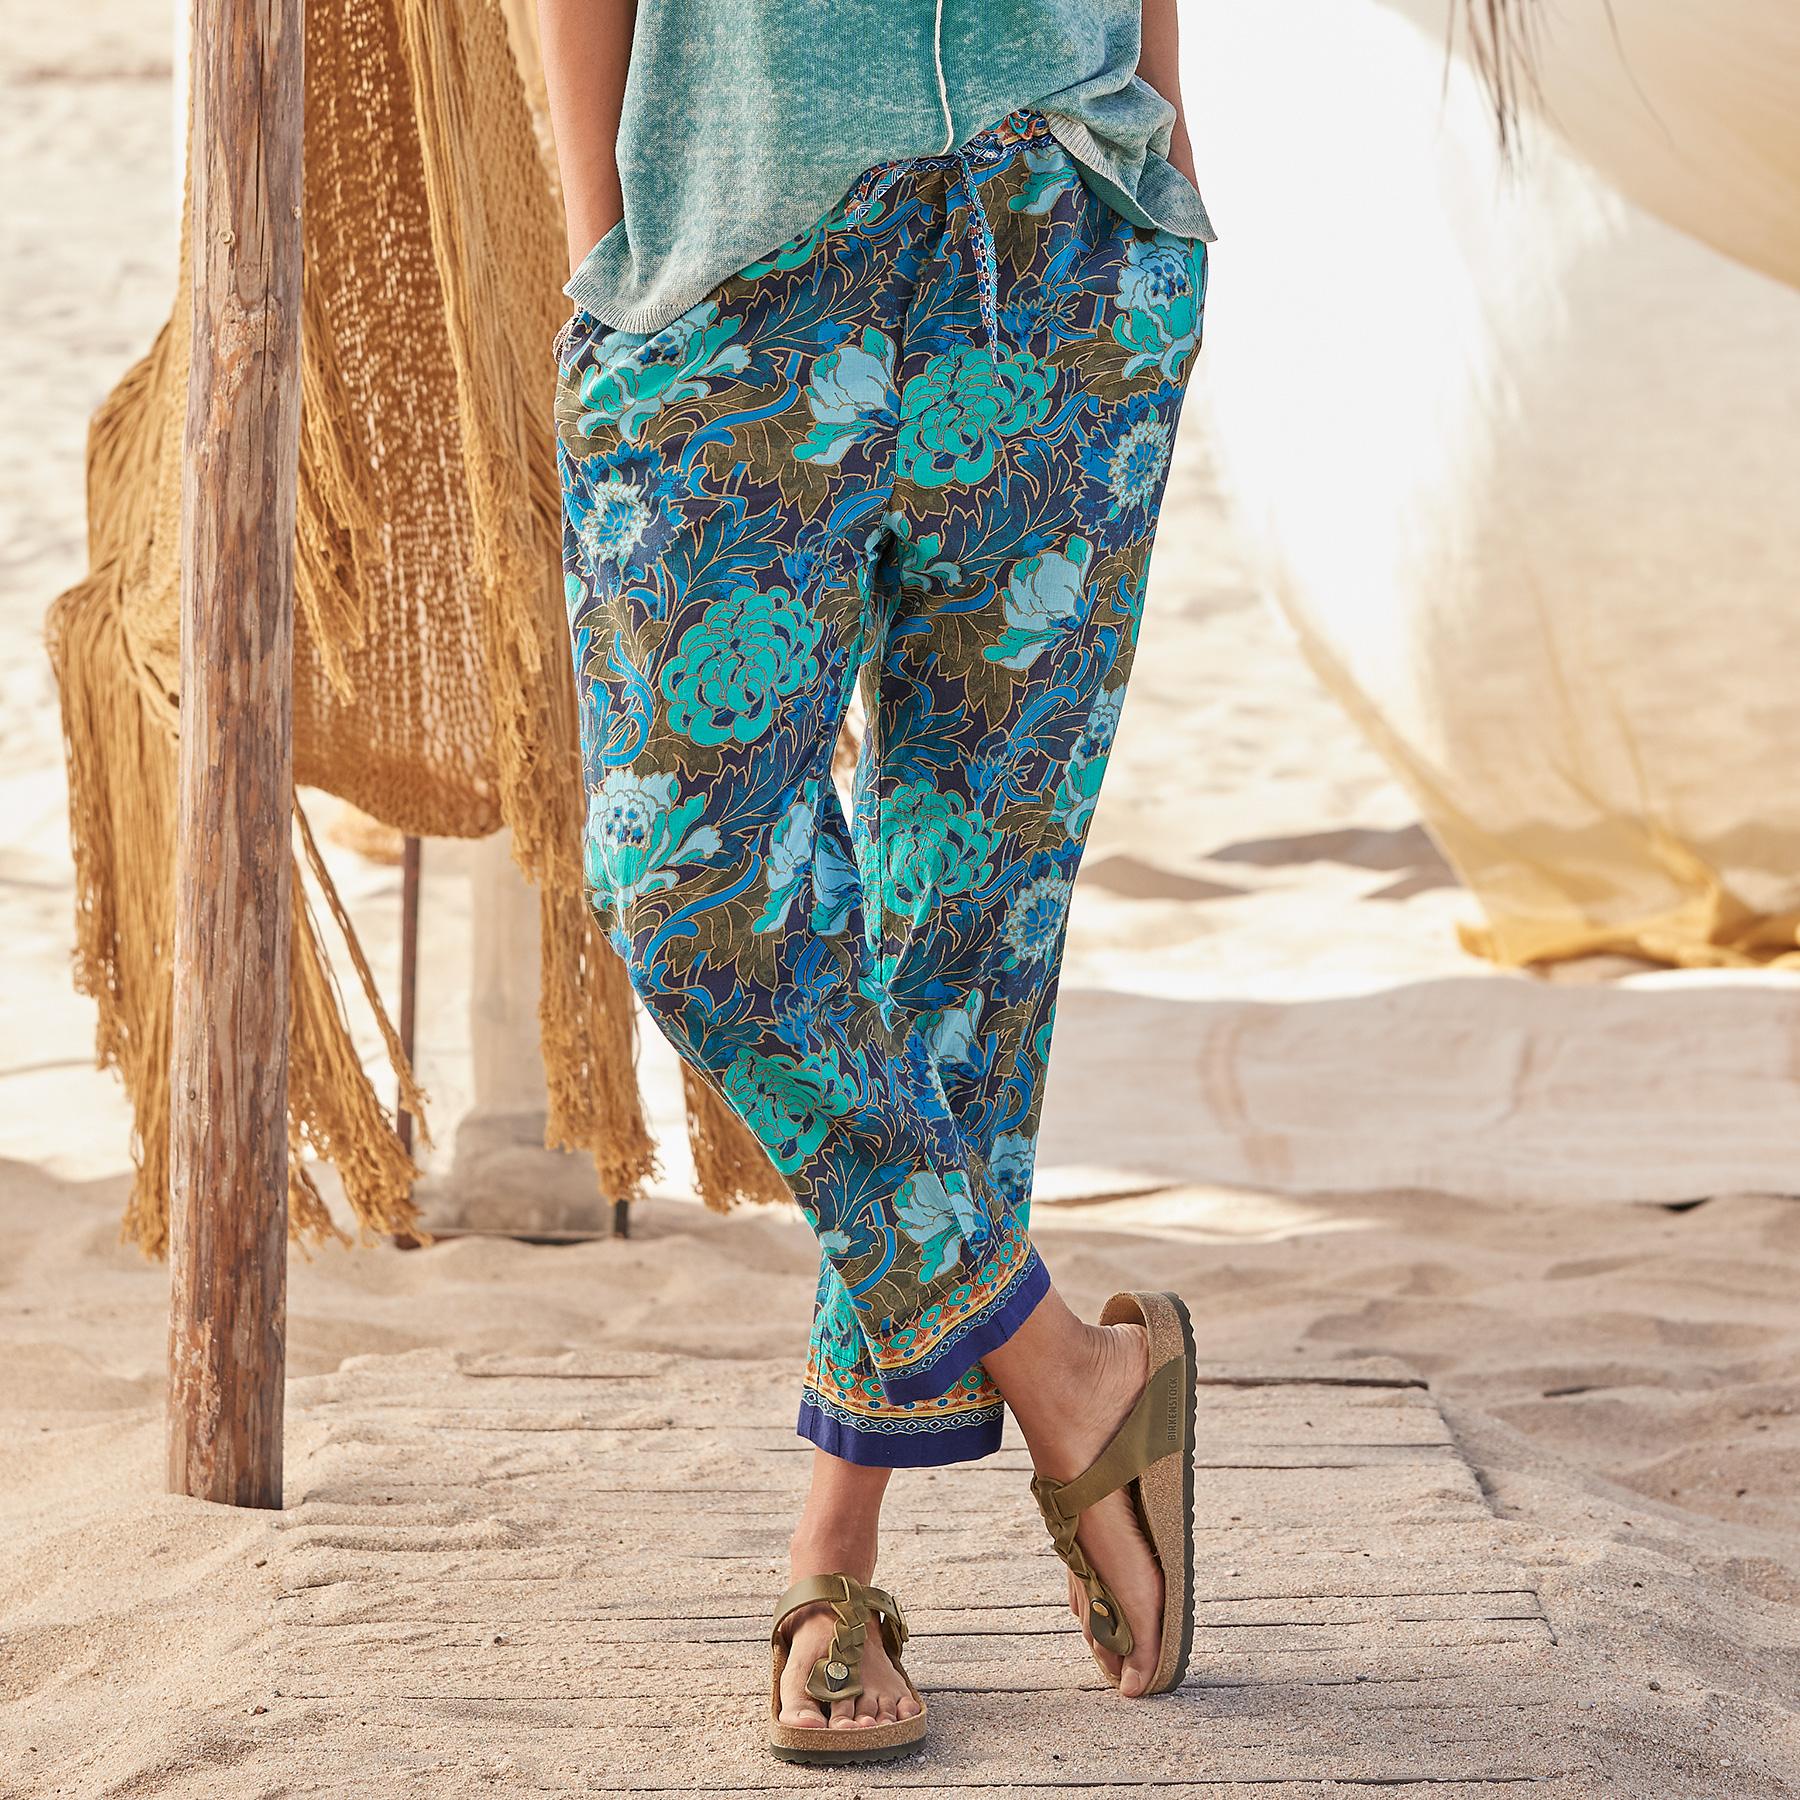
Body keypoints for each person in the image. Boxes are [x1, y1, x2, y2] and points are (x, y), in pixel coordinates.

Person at [538, 0, 1212, 1763]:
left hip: (1061, 241)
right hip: (730, 267)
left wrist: (1167, 186)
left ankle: (836, 1556)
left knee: (962, 937)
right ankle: (1068, 1369)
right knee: (688, 891)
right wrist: (610, 247)